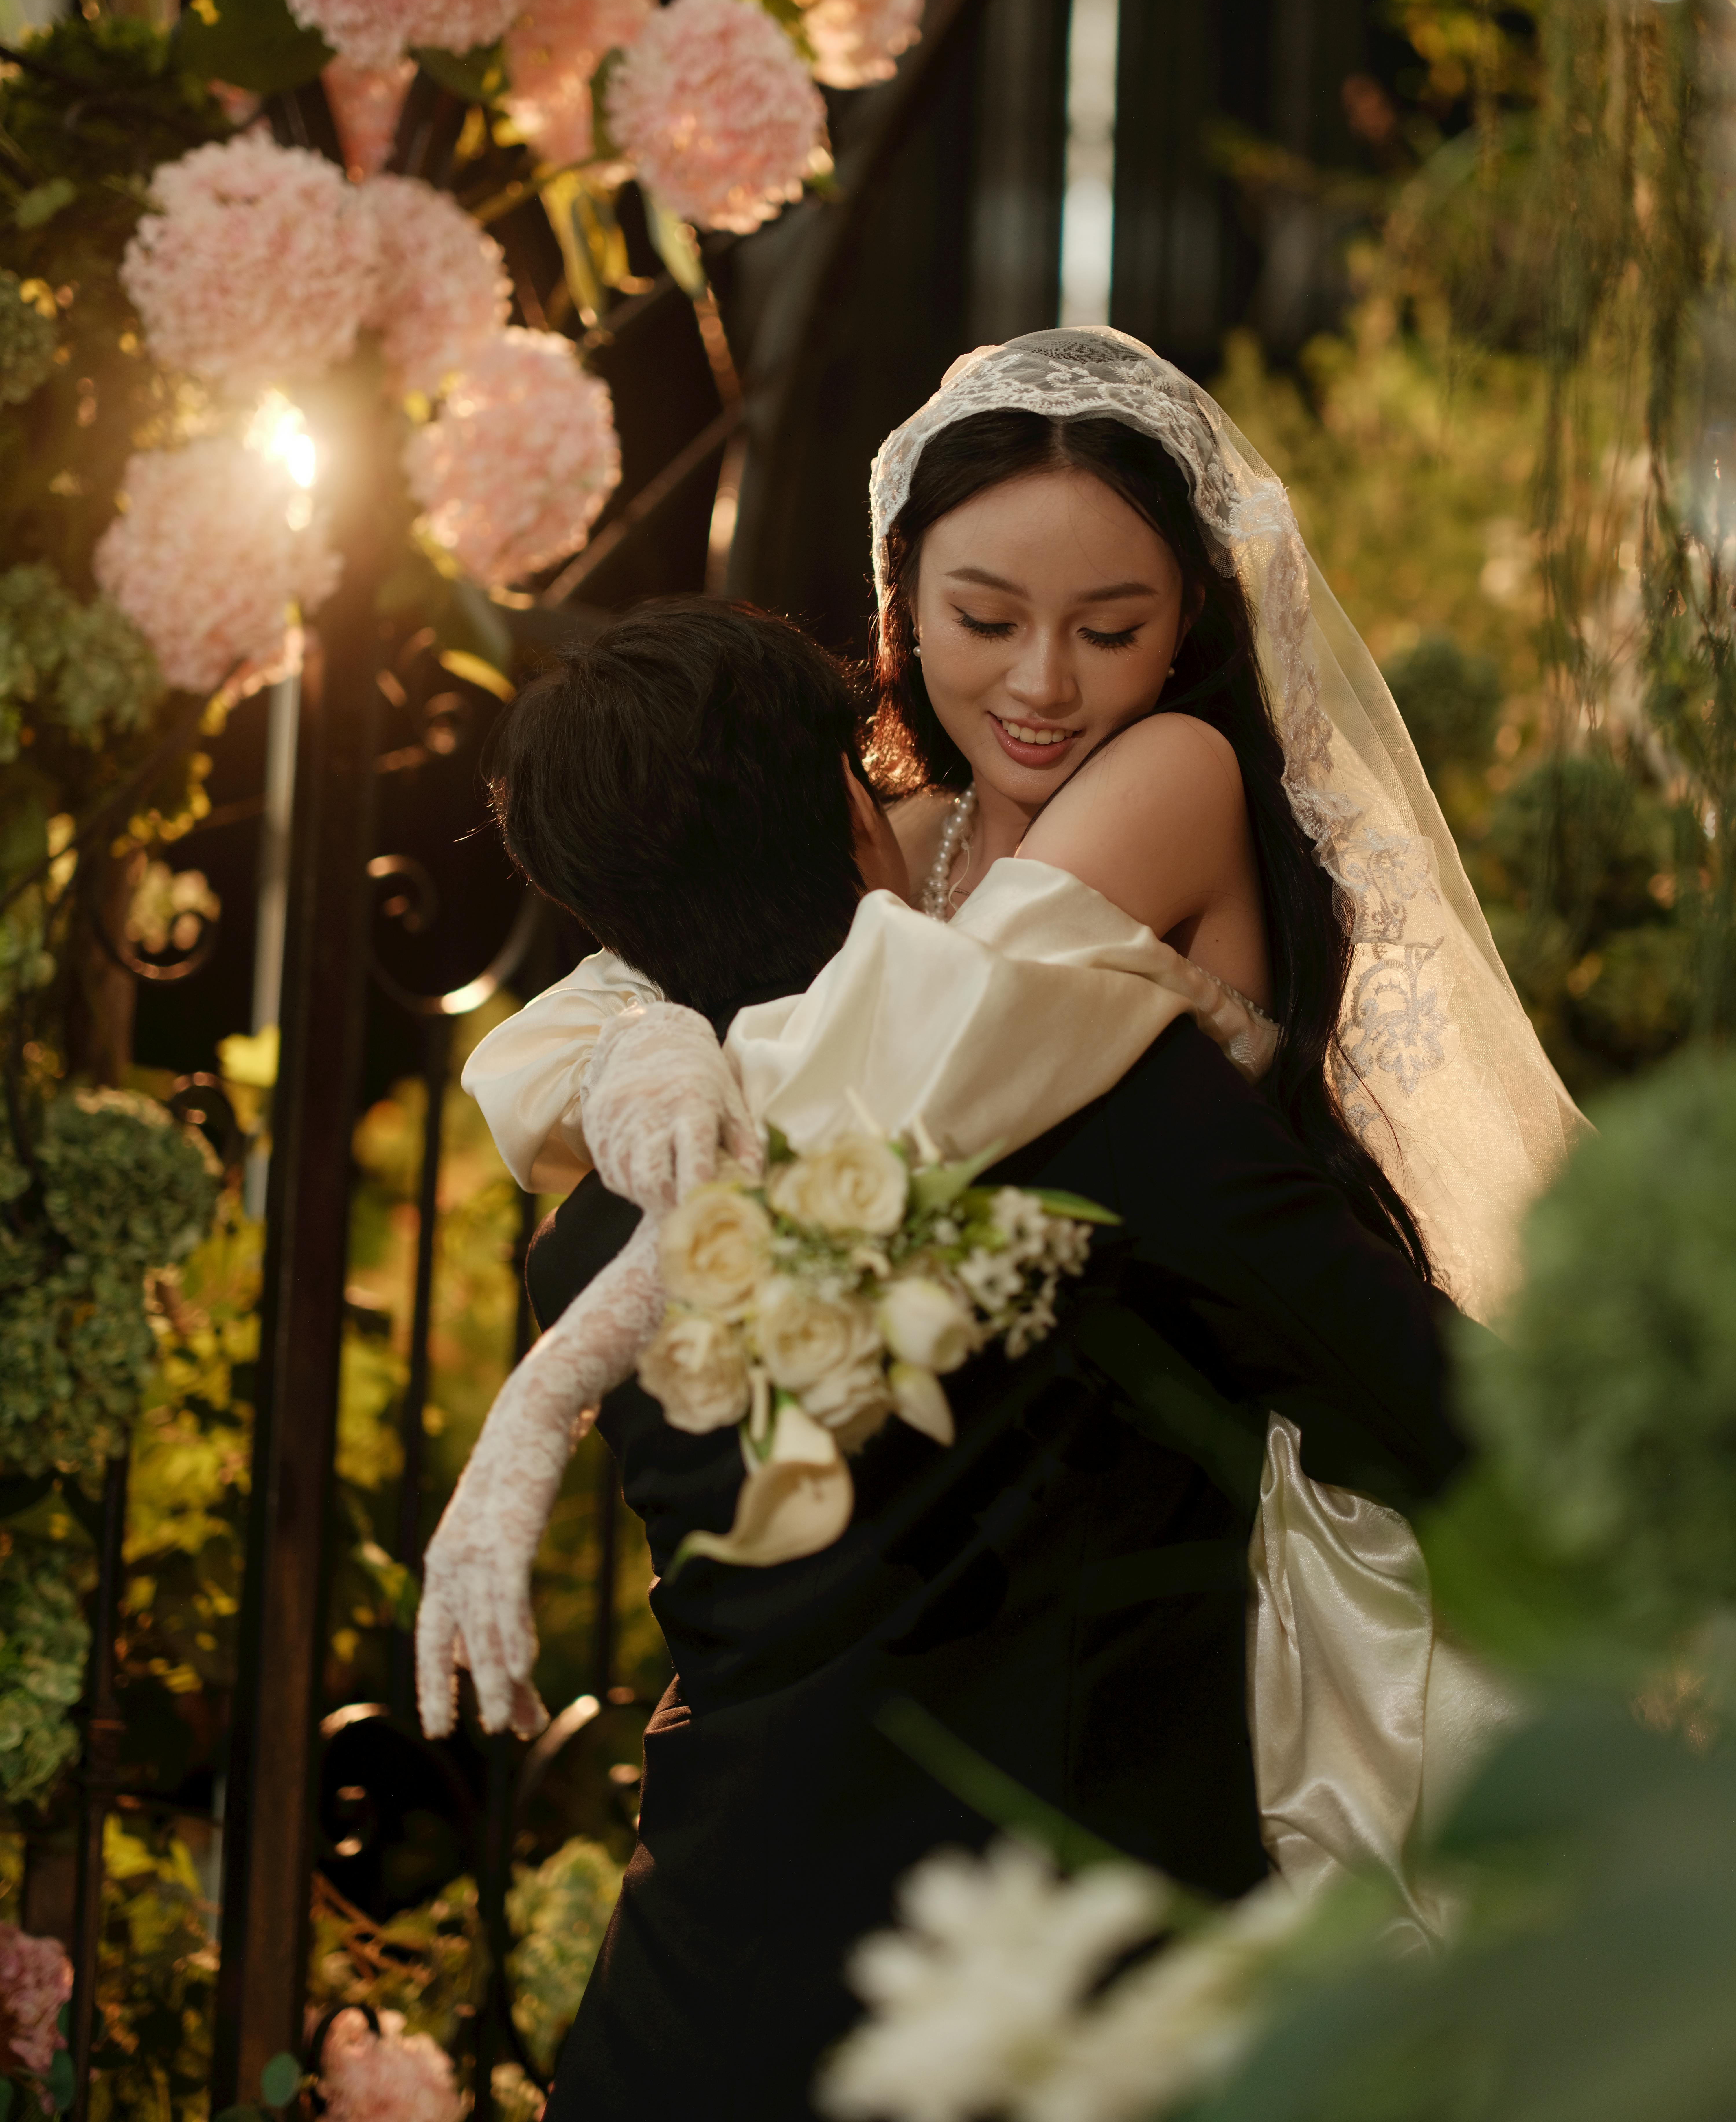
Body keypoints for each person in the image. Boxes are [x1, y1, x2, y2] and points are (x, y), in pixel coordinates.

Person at [420, 590, 1471, 2121]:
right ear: (855, 814)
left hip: (693, 2029)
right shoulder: (1094, 1089)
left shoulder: (592, 1238)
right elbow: (1428, 1409)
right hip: (1050, 2022)